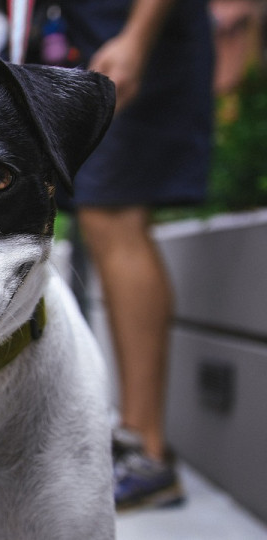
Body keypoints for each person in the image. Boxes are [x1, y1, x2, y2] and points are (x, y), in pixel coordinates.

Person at [55, 0, 215, 511]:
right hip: (99, 40)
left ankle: (147, 453)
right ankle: (132, 442)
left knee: (114, 215)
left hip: (129, 42)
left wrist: (138, 38)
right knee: (102, 217)